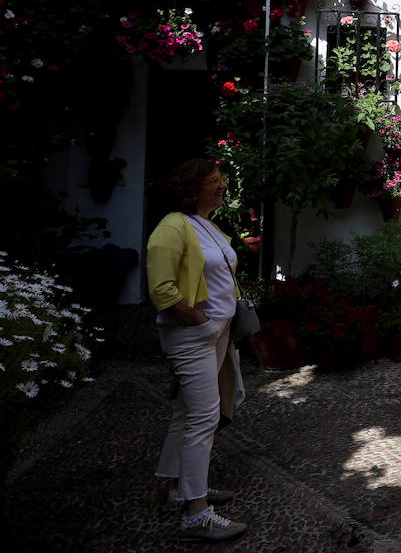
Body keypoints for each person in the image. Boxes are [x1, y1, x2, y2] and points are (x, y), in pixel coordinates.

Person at [146, 159, 248, 543]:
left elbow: (222, 276)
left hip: (215, 334)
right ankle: (195, 512)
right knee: (204, 418)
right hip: (192, 337)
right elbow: (162, 290)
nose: (221, 186)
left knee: (187, 414)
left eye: (221, 179)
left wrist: (223, 325)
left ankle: (181, 488)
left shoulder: (207, 224)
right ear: (192, 189)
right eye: (213, 181)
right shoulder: (171, 227)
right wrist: (198, 319)